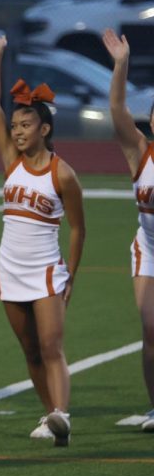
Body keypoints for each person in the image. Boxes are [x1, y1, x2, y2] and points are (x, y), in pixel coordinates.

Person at [0, 32, 85, 445]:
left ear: (45, 127)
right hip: (9, 268)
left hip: (46, 270)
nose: (18, 131)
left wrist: (71, 276)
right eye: (15, 126)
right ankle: (51, 419)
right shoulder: (11, 162)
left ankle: (62, 414)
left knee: (51, 346)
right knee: (29, 351)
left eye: (26, 125)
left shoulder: (62, 173)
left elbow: (78, 227)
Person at [102, 28, 154, 432]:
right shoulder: (140, 151)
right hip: (148, 249)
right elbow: (117, 108)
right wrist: (121, 64)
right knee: (151, 330)